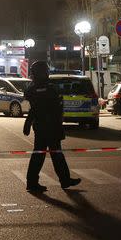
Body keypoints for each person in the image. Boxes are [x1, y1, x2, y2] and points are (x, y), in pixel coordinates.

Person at [22, 61, 81, 192]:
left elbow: (33, 109)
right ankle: (62, 180)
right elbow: (55, 109)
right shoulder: (50, 89)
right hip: (51, 127)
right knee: (54, 155)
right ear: (43, 73)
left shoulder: (32, 89)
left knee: (42, 155)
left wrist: (27, 123)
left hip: (41, 127)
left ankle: (35, 182)